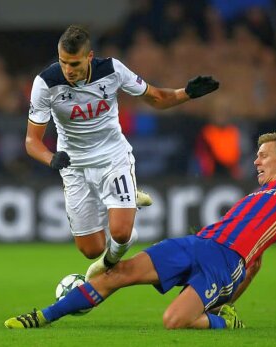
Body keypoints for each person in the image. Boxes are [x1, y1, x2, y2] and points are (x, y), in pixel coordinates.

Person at [5, 112, 276, 330]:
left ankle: (223, 323)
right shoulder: (258, 196)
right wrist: (244, 277)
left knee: (174, 321)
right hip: (194, 244)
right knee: (114, 274)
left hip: (223, 262)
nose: (256, 161)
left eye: (263, 156)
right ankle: (41, 317)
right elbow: (257, 264)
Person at [25, 25, 219, 273]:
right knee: (90, 249)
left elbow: (156, 97)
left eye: (75, 64)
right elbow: (32, 141)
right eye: (63, 62)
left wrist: (187, 93)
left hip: (113, 157)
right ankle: (124, 202)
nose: (68, 70)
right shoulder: (45, 83)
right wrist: (51, 158)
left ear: (89, 57)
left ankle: (109, 256)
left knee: (120, 232)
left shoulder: (112, 70)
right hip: (75, 166)